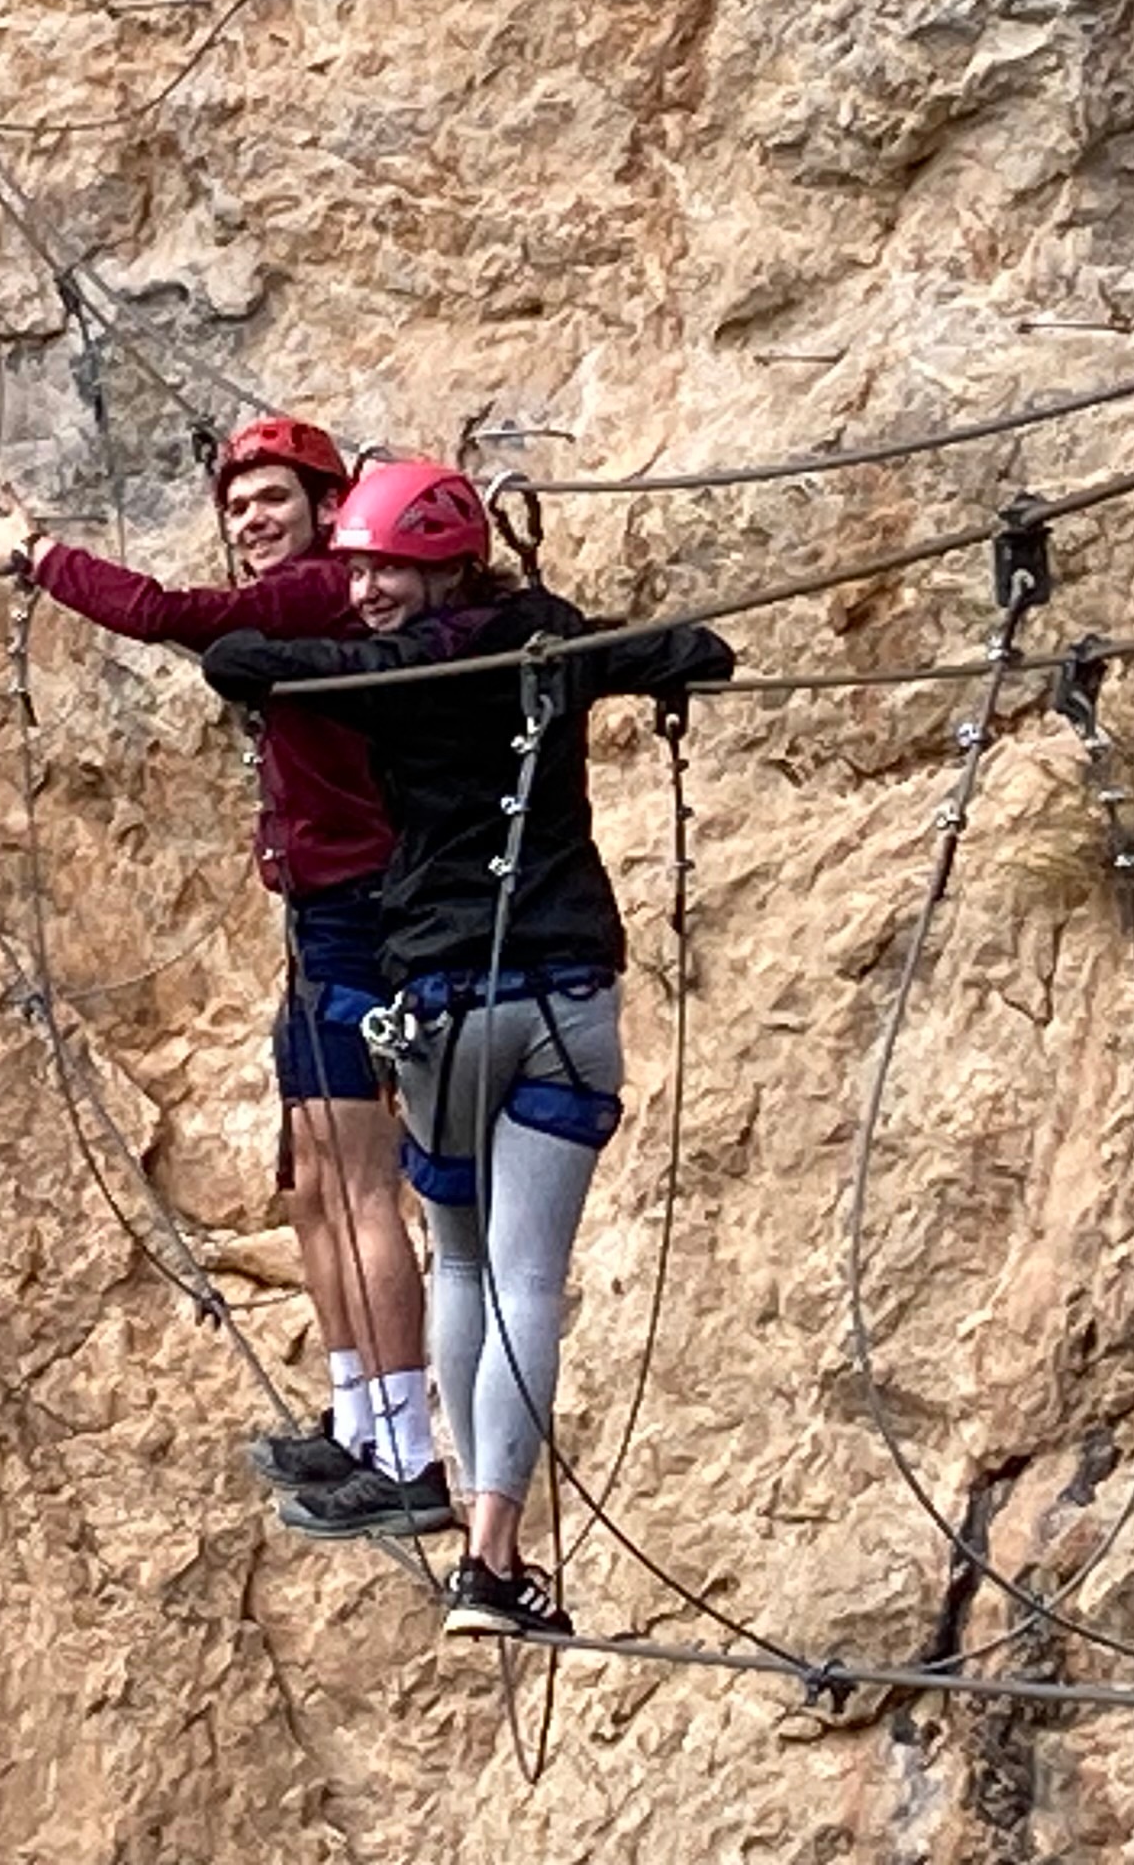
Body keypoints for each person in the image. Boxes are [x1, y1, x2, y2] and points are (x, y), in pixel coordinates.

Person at [201, 461, 734, 1638]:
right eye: (360, 569)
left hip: (444, 1009)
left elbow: (240, 661)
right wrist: (632, 657)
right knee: (529, 1280)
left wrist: (327, 647)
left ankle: (440, 1489)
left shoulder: (383, 672)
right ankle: (492, 1560)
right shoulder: (547, 641)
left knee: (464, 1268)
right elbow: (688, 650)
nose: (370, 587)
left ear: (440, 562)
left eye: (386, 566)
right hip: (565, 1004)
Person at [0, 417, 448, 1537]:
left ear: (330, 509)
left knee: (357, 1179)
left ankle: (406, 1447)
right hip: (324, 914)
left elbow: (165, 615)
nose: (252, 523)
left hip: (358, 912)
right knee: (310, 1182)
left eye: (274, 501)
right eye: (238, 507)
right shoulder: (307, 602)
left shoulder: (317, 593)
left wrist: (38, 555)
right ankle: (359, 1422)